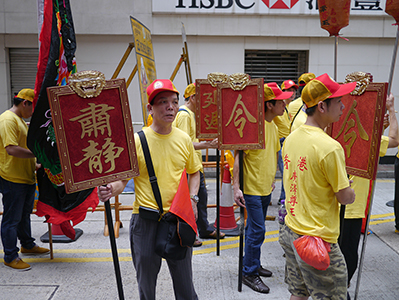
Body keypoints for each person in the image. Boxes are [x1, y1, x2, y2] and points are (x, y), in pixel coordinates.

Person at [98, 79, 201, 300]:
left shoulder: (184, 140)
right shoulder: (136, 141)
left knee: (185, 287)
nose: (170, 107)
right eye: (163, 102)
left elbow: (194, 172)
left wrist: (193, 199)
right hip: (145, 222)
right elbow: (122, 181)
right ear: (149, 108)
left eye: (173, 102)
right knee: (146, 286)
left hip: (178, 220)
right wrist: (110, 190)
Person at [279, 73, 356, 300]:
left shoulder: (292, 137)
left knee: (299, 293)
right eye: (339, 101)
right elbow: (344, 198)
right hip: (317, 240)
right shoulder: (330, 147)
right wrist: (348, 190)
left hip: (291, 231)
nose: (343, 106)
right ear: (322, 106)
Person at [233, 82, 293, 294]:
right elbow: (238, 156)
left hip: (266, 188)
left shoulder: (274, 126)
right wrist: (236, 186)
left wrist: (274, 178)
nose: (285, 103)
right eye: (281, 101)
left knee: (253, 230)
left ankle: (252, 263)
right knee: (257, 230)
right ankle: (249, 272)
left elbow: (273, 156)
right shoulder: (253, 126)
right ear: (269, 105)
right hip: (252, 189)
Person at [340, 93, 398, 299]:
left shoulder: (333, 132)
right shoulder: (369, 137)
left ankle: (336, 287)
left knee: (337, 251)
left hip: (333, 204)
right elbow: (395, 140)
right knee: (347, 253)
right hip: (352, 204)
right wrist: (391, 109)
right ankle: (341, 288)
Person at [0, 88, 49, 271]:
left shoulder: (20, 120)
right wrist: (36, 153)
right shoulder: (8, 120)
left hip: (26, 177)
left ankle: (27, 244)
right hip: (13, 178)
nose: (32, 113)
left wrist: (36, 164)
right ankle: (10, 256)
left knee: (23, 215)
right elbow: (11, 149)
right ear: (25, 103)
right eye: (32, 107)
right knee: (12, 218)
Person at [173, 83, 225, 247]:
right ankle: (191, 233)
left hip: (194, 164)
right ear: (193, 97)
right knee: (191, 202)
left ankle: (204, 229)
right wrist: (208, 145)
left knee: (201, 198)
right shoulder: (184, 115)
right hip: (188, 166)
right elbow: (184, 143)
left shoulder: (191, 114)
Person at [274, 80, 298, 205]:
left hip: (289, 142)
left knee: (289, 170)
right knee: (285, 170)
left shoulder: (290, 107)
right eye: (289, 90)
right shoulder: (278, 106)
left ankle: (284, 197)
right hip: (280, 142)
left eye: (293, 90)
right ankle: (283, 198)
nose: (292, 93)